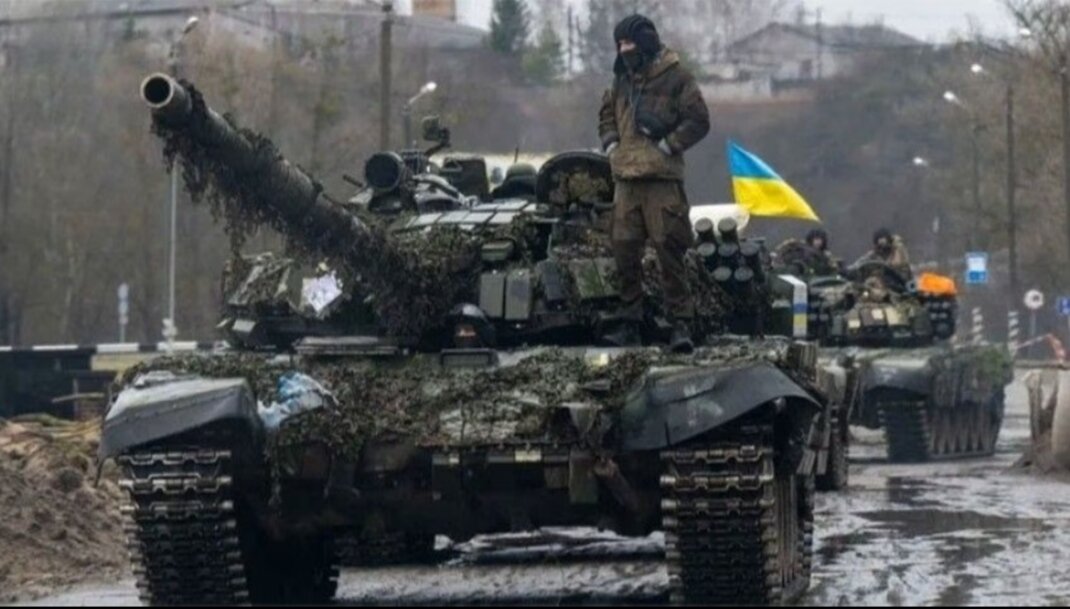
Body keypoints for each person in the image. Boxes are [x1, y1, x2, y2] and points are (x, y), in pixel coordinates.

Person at [597, 14, 710, 352]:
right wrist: (611, 144)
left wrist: (669, 144)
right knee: (623, 251)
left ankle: (681, 324)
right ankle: (630, 322)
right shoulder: (621, 79)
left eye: (629, 43)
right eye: (620, 44)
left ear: (645, 42)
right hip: (626, 179)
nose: (624, 50)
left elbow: (699, 119)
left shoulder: (676, 77)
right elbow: (606, 114)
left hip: (661, 180)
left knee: (670, 251)